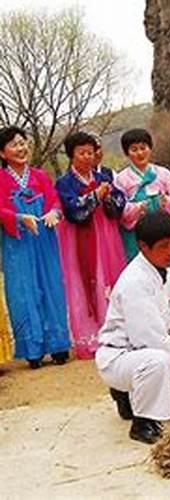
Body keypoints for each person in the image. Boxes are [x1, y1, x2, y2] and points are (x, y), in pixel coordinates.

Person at [96, 210, 170, 444]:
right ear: (144, 247)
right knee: (157, 360)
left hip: (142, 356)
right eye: (164, 246)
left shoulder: (162, 269)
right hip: (120, 357)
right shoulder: (134, 282)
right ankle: (143, 423)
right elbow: (150, 341)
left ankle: (126, 395)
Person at [0, 126, 70, 369]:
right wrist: (19, 218)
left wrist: (54, 212)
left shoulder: (40, 176)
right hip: (17, 243)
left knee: (51, 286)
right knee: (23, 291)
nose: (21, 148)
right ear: (2, 153)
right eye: (14, 145)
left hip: (44, 239)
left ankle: (58, 344)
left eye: (23, 143)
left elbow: (54, 200)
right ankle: (32, 348)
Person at [56, 131, 126, 360]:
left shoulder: (104, 175)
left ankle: (117, 334)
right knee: (85, 283)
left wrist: (107, 197)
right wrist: (95, 196)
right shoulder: (65, 183)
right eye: (81, 152)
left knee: (112, 278)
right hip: (81, 239)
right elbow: (73, 210)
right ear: (71, 155)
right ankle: (90, 337)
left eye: (90, 152)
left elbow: (119, 201)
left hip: (107, 235)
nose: (87, 157)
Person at [114, 128, 170, 317]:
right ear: (127, 153)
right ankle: (148, 317)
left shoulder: (163, 174)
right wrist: (140, 207)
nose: (140, 153)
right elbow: (120, 209)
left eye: (143, 148)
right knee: (143, 275)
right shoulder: (121, 179)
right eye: (134, 149)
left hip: (164, 233)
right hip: (137, 237)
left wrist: (166, 202)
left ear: (150, 148)